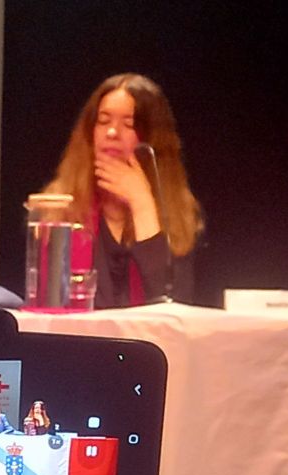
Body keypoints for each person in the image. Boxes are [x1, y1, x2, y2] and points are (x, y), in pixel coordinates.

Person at [43, 73, 203, 307]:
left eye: (128, 124)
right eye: (103, 121)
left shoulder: (180, 211)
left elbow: (174, 307)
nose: (112, 133)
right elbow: (54, 304)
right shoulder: (60, 206)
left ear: (152, 138)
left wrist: (142, 204)